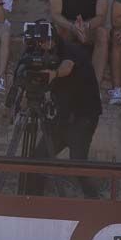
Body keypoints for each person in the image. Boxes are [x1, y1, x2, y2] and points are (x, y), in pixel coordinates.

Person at [23, 19, 103, 199]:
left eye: (44, 41)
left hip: (83, 116)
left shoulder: (69, 49)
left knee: (77, 163)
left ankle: (94, 202)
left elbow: (67, 67)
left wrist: (53, 74)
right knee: (39, 157)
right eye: (39, 42)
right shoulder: (40, 53)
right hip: (62, 116)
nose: (41, 45)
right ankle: (34, 200)